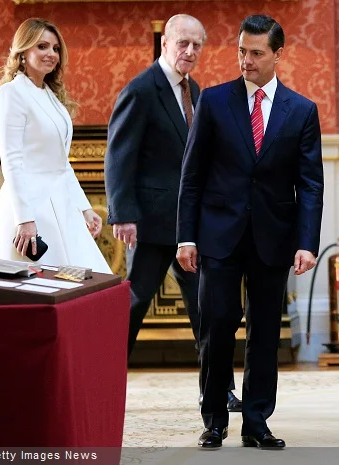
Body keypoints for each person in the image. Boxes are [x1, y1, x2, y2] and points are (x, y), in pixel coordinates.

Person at [177, 15, 324, 450]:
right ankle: (215, 418)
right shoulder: (215, 101)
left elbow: (310, 183)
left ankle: (257, 420)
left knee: (265, 331)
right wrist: (187, 236)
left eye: (256, 53)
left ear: (278, 54)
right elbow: (192, 175)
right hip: (218, 233)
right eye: (242, 51)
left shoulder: (302, 110)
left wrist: (306, 242)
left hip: (273, 237)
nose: (246, 61)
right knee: (216, 325)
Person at [104, 14, 241, 411]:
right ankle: (105, 382)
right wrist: (123, 214)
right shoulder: (142, 89)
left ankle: (217, 390)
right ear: (166, 43)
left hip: (189, 226)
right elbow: (119, 156)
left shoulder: (194, 90)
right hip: (148, 223)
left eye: (198, 45)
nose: (190, 51)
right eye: (183, 43)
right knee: (133, 306)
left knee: (206, 308)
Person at [0, 18, 111, 274]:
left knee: (82, 283)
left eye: (55, 48)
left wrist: (84, 208)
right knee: (37, 287)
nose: (51, 54)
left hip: (61, 205)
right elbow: (11, 161)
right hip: (31, 208)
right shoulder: (12, 93)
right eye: (42, 46)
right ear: (23, 51)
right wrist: (25, 220)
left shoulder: (51, 96)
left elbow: (61, 164)